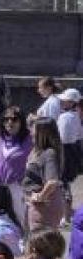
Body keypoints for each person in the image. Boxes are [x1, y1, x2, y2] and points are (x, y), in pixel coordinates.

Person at [0, 106, 33, 234]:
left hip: (18, 186)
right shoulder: (1, 137)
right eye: (6, 119)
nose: (9, 122)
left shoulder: (29, 139)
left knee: (20, 219)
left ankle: (24, 247)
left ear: (21, 121)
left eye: (14, 119)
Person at [23, 117, 64, 232]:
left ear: (42, 133)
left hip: (44, 207)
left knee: (40, 243)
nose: (31, 131)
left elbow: (52, 182)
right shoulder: (38, 150)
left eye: (34, 129)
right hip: (35, 205)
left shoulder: (49, 153)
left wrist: (40, 197)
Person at [56, 88, 82, 226]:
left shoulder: (66, 117)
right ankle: (65, 214)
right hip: (72, 151)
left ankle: (65, 217)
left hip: (65, 152)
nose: (62, 101)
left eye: (65, 100)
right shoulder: (75, 115)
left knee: (63, 184)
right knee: (64, 184)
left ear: (71, 102)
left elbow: (63, 138)